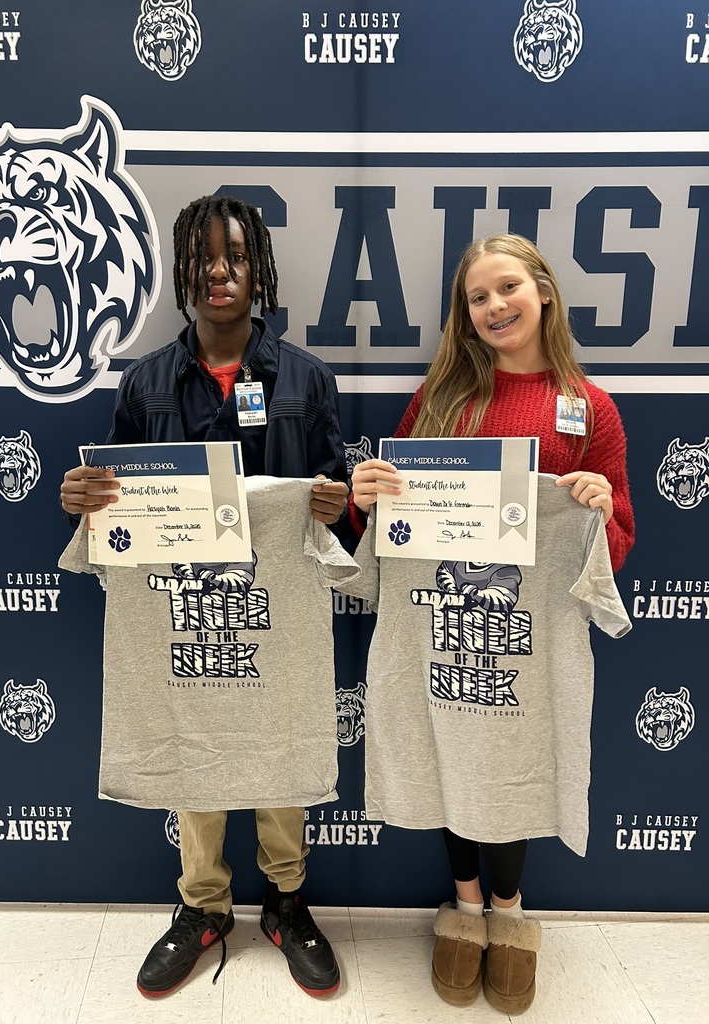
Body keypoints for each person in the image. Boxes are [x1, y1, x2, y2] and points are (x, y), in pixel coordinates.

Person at [60, 195, 349, 999]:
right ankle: (204, 905)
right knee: (194, 739)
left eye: (237, 258)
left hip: (274, 616)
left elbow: (336, 499)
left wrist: (334, 502)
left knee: (280, 737)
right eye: (203, 258)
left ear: (259, 271)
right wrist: (84, 500)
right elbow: (116, 502)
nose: (220, 273)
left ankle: (286, 899)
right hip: (182, 610)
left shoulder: (305, 377)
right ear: (182, 272)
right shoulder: (147, 381)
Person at [349, 234, 634, 1014]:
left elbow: (617, 541)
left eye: (507, 287)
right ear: (464, 314)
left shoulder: (591, 407)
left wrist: (598, 511)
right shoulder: (441, 401)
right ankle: (466, 906)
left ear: (543, 291)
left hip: (527, 640)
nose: (494, 306)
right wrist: (367, 499)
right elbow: (393, 531)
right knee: (451, 753)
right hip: (442, 622)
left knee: (509, 763)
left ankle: (509, 913)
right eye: (477, 298)